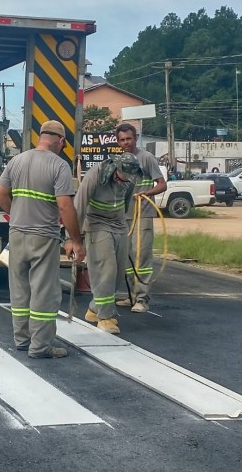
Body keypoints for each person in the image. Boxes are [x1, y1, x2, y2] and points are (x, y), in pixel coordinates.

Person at [0, 120, 85, 359]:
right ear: (61, 141)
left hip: (16, 234)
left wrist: (16, 214)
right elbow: (65, 207)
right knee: (44, 293)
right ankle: (40, 347)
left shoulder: (18, 160)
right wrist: (76, 240)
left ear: (41, 137)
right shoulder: (59, 166)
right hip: (43, 237)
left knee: (20, 291)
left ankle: (22, 340)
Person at [74, 153, 141, 334]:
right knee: (106, 269)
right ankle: (105, 318)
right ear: (116, 169)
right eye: (123, 176)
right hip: (96, 223)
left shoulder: (130, 178)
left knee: (119, 271)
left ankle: (95, 309)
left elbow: (126, 203)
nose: (126, 180)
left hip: (118, 224)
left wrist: (121, 225)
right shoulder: (96, 175)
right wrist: (73, 238)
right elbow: (79, 205)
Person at [115, 123, 166, 313]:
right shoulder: (120, 160)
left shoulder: (146, 158)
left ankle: (142, 299)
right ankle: (131, 296)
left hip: (143, 214)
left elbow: (162, 185)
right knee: (127, 257)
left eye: (128, 138)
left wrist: (147, 192)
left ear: (135, 138)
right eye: (122, 140)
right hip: (124, 215)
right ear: (118, 142)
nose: (126, 142)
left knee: (141, 256)